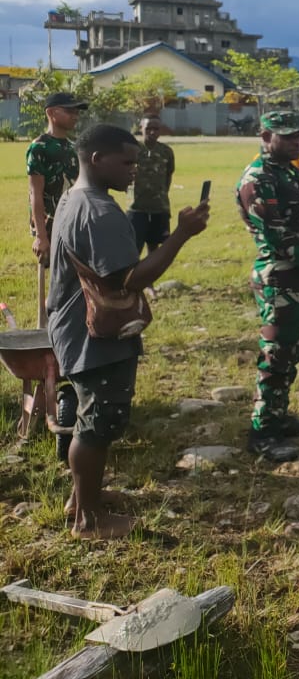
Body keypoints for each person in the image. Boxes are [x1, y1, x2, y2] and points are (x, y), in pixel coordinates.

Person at [49, 124, 208, 538]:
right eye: (127, 162)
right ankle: (89, 520)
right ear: (97, 160)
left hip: (72, 325)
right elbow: (131, 279)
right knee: (98, 421)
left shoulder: (74, 196)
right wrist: (182, 234)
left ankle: (81, 498)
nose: (134, 170)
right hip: (93, 333)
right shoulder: (99, 211)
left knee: (91, 413)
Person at [236, 111, 299, 462]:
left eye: (298, 135)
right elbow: (274, 232)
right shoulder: (257, 178)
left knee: (294, 351)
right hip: (280, 277)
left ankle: (279, 415)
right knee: (276, 355)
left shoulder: (292, 172)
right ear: (265, 136)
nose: (296, 141)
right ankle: (262, 432)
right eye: (286, 136)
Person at [28, 91, 88, 267]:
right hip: (50, 223)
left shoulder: (74, 147)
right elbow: (35, 193)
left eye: (77, 112)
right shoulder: (40, 147)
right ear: (51, 113)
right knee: (56, 276)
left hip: (73, 220)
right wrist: (40, 236)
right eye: (70, 111)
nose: (75, 116)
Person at [127, 116, 176, 255]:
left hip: (159, 207)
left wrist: (162, 194)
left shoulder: (166, 151)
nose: (152, 132)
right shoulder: (133, 149)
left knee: (155, 250)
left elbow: (168, 175)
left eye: (156, 129)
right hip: (136, 207)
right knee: (133, 249)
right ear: (141, 128)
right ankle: (132, 276)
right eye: (148, 129)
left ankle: (151, 276)